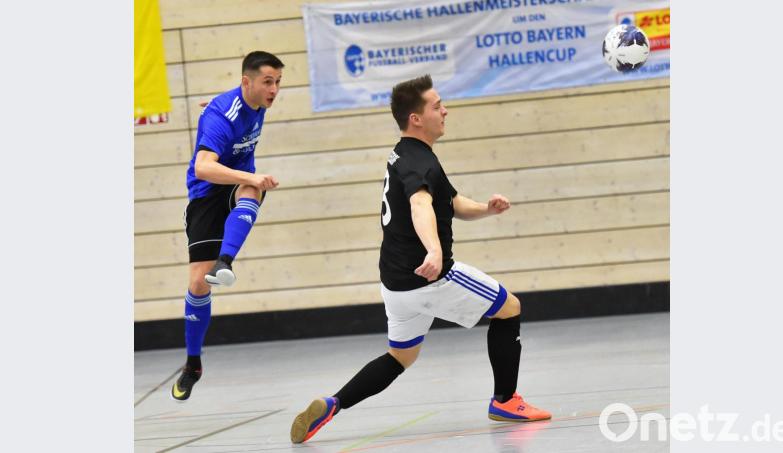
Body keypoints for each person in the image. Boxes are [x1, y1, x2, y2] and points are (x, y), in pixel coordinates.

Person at [289, 75, 551, 443]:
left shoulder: (407, 154)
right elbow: (420, 203)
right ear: (416, 118)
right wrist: (434, 249)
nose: (445, 110)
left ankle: (333, 403)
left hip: (396, 285)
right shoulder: (418, 163)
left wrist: (486, 209)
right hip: (431, 277)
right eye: (436, 105)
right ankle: (506, 400)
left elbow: (451, 203)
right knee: (509, 308)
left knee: (400, 357)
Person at [170, 51, 283, 402]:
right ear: (247, 81)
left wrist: (251, 178)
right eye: (268, 82)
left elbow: (232, 104)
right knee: (197, 285)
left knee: (252, 189)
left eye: (278, 82)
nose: (274, 90)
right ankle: (193, 364)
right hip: (206, 194)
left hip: (234, 186)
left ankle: (226, 262)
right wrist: (216, 115)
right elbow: (204, 167)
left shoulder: (256, 103)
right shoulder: (224, 113)